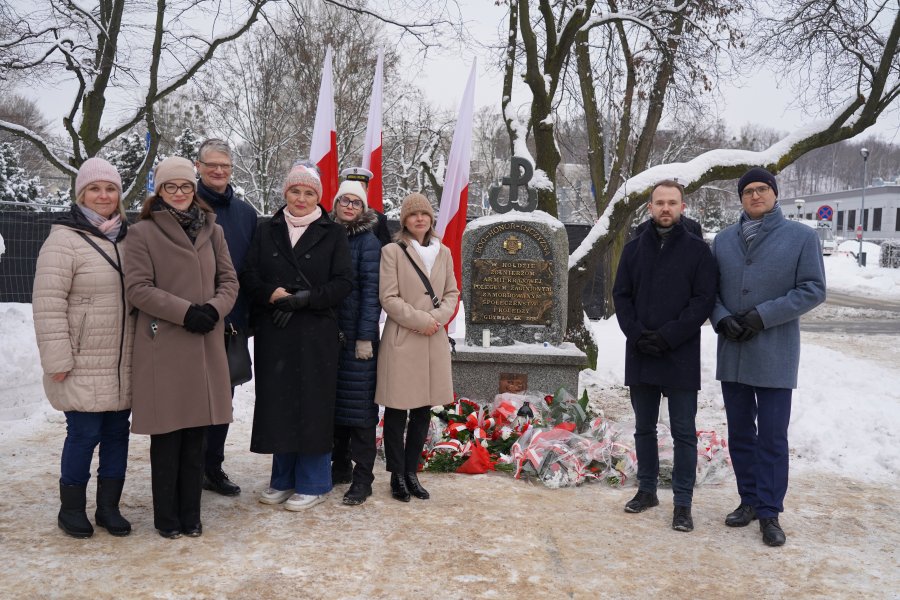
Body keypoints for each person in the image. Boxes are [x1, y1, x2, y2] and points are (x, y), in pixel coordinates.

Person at [711, 167, 826, 547]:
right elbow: (708, 291)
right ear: (741, 198)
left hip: (775, 351)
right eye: (748, 192)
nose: (755, 196)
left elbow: (813, 289)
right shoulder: (724, 240)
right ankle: (748, 500)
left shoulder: (801, 237)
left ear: (774, 194)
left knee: (772, 437)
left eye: (762, 189)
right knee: (741, 434)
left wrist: (764, 315)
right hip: (734, 351)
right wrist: (722, 318)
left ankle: (770, 512)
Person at [125, 156, 238, 539]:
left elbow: (230, 281)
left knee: (197, 435)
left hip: (206, 343)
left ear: (195, 189)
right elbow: (138, 288)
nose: (179, 193)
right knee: (168, 436)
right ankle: (166, 518)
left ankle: (191, 514)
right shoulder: (142, 232)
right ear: (159, 190)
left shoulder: (213, 229)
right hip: (166, 343)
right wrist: (186, 312)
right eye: (170, 187)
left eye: (185, 186)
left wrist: (214, 309)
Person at [240, 163, 352, 511]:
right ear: (285, 193)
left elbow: (344, 282)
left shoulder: (332, 233)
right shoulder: (266, 228)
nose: (301, 198)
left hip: (316, 332)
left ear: (318, 197)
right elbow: (248, 273)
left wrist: (307, 298)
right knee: (278, 403)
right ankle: (282, 479)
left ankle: (313, 481)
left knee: (313, 405)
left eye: (309, 193)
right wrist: (269, 293)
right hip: (277, 329)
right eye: (295, 191)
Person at [33, 157, 134, 539]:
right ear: (81, 194)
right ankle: (71, 508)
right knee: (83, 434)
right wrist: (57, 359)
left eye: (110, 189)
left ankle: (109, 507)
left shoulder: (128, 238)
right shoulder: (63, 240)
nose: (103, 195)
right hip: (82, 360)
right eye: (95, 188)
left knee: (116, 435)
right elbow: (48, 303)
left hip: (122, 360)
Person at [612, 180, 717, 532]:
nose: (666, 208)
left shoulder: (698, 251)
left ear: (683, 207)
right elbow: (621, 296)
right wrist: (638, 334)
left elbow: (702, 300)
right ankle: (647, 489)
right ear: (650, 208)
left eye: (672, 202)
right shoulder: (632, 249)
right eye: (660, 203)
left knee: (684, 430)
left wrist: (669, 336)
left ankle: (683, 503)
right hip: (641, 350)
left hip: (680, 352)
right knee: (644, 427)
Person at [376, 192, 459, 502]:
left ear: (431, 219)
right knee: (397, 412)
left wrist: (435, 319)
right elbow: (389, 297)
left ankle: (412, 471)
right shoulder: (392, 252)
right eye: (413, 215)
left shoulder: (445, 253)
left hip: (433, 339)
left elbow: (452, 293)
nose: (419, 219)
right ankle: (396, 475)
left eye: (424, 214)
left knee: (423, 411)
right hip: (404, 339)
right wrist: (420, 320)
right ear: (405, 221)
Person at [194, 138, 258, 497]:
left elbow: (250, 269)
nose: (219, 171)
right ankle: (186, 466)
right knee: (189, 398)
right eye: (212, 165)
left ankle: (211, 466)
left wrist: (249, 317)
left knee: (223, 399)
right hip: (190, 322)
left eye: (226, 166)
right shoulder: (185, 205)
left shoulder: (246, 214)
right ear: (199, 167)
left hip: (231, 324)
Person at [329, 180, 382, 505]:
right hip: (328, 337)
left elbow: (370, 294)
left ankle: (363, 478)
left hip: (356, 341)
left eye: (355, 202)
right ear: (335, 204)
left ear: (363, 208)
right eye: (344, 200)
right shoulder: (327, 234)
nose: (349, 206)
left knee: (360, 411)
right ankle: (338, 467)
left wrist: (364, 336)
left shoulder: (368, 242)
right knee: (334, 408)